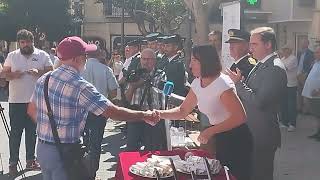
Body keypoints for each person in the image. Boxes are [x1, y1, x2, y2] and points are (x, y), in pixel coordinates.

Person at [27, 36, 159, 180]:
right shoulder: (79, 85)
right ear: (77, 59)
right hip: (65, 151)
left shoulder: (44, 79)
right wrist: (144, 115)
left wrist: (51, 129)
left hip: (43, 148)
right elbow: (112, 112)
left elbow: (31, 110)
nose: (86, 58)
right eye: (85, 55)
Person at [155, 45, 253, 180]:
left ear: (206, 62)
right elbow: (183, 110)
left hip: (236, 139)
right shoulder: (197, 82)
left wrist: (210, 131)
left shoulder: (222, 84)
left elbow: (240, 117)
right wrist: (158, 114)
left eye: (194, 60)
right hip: (219, 137)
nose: (190, 65)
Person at [226, 27, 287, 180]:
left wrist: (239, 84)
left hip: (262, 134)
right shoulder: (261, 64)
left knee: (260, 175)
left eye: (254, 44)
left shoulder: (274, 68)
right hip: (252, 132)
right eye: (250, 44)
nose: (250, 48)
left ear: (268, 45)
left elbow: (260, 101)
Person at [1, 29, 53, 176]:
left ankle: (30, 160)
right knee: (15, 133)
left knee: (32, 133)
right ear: (19, 43)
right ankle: (13, 162)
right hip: (16, 101)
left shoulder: (42, 55)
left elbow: (52, 73)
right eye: (22, 42)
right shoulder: (12, 56)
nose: (25, 45)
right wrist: (13, 75)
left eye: (27, 42)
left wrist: (39, 73)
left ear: (32, 42)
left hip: (35, 102)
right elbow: (4, 76)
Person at [81, 46, 119, 179]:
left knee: (81, 141)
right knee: (96, 143)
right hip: (100, 110)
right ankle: (92, 172)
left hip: (81, 111)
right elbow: (114, 92)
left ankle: (81, 171)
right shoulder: (105, 69)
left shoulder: (79, 69)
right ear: (98, 54)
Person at [124, 48, 167, 151]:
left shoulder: (160, 75)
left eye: (149, 59)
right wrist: (133, 86)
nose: (146, 62)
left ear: (154, 60)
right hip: (135, 115)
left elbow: (162, 95)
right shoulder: (133, 74)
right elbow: (126, 100)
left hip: (152, 116)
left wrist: (148, 82)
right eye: (143, 59)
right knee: (131, 148)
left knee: (152, 148)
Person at [302, 46, 320, 141]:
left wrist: (318, 90)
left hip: (317, 94)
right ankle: (317, 132)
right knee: (316, 115)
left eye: (317, 52)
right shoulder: (316, 63)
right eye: (315, 52)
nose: (315, 54)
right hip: (312, 94)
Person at [279, 45, 298, 132]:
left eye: (286, 49)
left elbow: (284, 68)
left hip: (291, 84)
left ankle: (292, 124)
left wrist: (278, 62)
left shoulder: (293, 58)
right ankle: (284, 122)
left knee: (291, 105)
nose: (284, 51)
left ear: (289, 50)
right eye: (283, 49)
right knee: (283, 104)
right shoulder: (282, 59)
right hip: (283, 85)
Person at [297, 38, 314, 113]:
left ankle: (307, 109)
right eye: (301, 43)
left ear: (307, 44)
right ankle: (300, 108)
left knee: (306, 93)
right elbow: (298, 63)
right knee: (299, 92)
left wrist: (306, 72)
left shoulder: (311, 53)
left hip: (305, 75)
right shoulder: (299, 53)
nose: (302, 44)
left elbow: (311, 65)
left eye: (304, 43)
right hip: (298, 74)